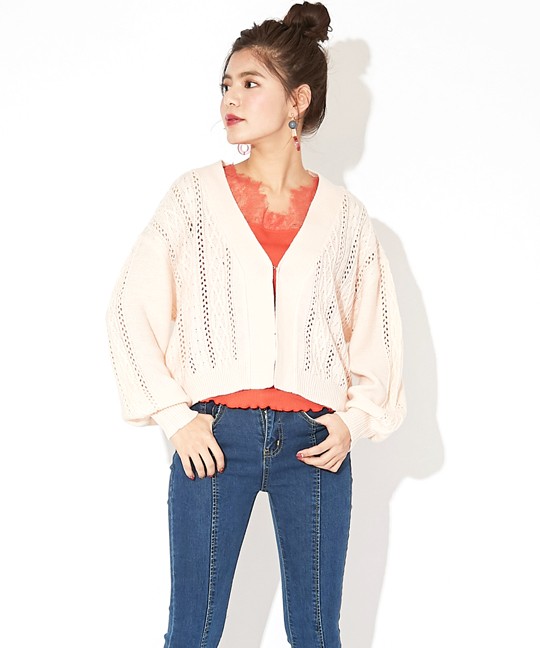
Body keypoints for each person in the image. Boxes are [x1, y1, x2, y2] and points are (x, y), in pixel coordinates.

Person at [106, 2, 406, 646]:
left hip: (315, 443)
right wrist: (175, 416)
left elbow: (375, 333)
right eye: (225, 85)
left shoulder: (347, 216)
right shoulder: (193, 196)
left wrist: (354, 421)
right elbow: (130, 308)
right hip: (215, 438)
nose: (230, 100)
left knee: (317, 632)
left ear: (297, 100)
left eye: (249, 83)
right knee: (192, 630)